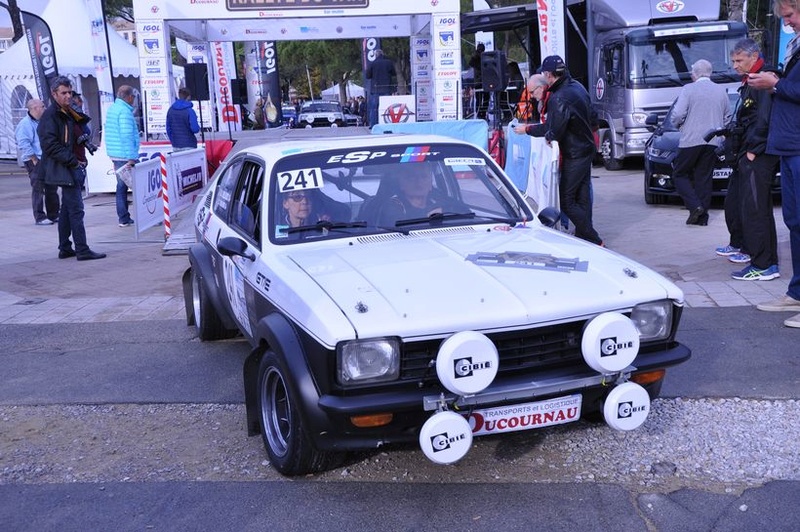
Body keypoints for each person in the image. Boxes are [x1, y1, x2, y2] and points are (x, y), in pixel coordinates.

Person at [512, 55, 603, 245]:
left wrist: (530, 130)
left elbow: (554, 130)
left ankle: (594, 238)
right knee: (582, 196)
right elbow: (593, 117)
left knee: (566, 200)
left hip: (575, 152)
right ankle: (586, 236)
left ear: (548, 75)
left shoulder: (559, 97)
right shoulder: (577, 87)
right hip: (586, 148)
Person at [748, 0, 800, 326]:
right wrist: (777, 77)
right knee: (795, 223)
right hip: (790, 146)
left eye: (791, 15)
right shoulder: (796, 46)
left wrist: (776, 83)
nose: (789, 23)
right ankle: (796, 293)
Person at [716, 39, 780, 281]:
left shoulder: (762, 80)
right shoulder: (751, 82)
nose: (735, 66)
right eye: (733, 61)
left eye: (739, 60)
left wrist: (752, 150)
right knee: (749, 208)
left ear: (754, 58)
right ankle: (762, 261)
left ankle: (763, 265)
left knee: (756, 210)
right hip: (749, 154)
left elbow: (764, 119)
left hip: (757, 155)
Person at [37, 76, 105, 261]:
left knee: (67, 210)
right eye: (64, 93)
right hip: (66, 168)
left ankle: (65, 248)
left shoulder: (69, 111)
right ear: (54, 94)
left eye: (70, 93)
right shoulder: (51, 116)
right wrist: (73, 161)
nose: (68, 96)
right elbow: (50, 145)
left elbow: (81, 131)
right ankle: (82, 249)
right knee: (76, 210)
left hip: (75, 165)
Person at [670, 59, 731, 226]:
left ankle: (695, 206)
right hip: (713, 141)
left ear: (694, 73)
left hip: (691, 139)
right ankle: (702, 218)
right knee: (703, 178)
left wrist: (679, 126)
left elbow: (677, 114)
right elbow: (727, 117)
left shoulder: (688, 89)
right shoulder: (721, 91)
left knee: (679, 174)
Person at [16, 98, 59, 225]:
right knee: (38, 188)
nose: (45, 108)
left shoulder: (43, 121)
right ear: (35, 108)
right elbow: (23, 142)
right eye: (43, 106)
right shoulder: (25, 124)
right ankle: (39, 216)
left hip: (47, 158)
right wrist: (34, 159)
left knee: (52, 188)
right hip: (34, 160)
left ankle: (53, 214)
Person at [375, 164, 464, 226]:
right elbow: (398, 228)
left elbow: (464, 211)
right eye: (411, 177)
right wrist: (430, 216)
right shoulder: (392, 206)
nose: (419, 182)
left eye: (424, 177)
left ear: (430, 183)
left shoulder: (441, 201)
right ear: (401, 184)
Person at [104, 85, 140, 227]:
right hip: (124, 155)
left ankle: (124, 217)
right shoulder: (124, 112)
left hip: (116, 153)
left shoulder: (113, 108)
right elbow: (126, 135)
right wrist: (131, 157)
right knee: (134, 186)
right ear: (129, 97)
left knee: (121, 187)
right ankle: (131, 217)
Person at [365, 49, 396, 126]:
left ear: (376, 55)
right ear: (383, 54)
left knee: (374, 108)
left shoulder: (372, 64)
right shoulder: (388, 62)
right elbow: (394, 73)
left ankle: (374, 125)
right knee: (387, 108)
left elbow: (368, 76)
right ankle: (387, 123)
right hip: (387, 88)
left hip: (375, 89)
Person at [469, 43, 486, 118]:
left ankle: (483, 113)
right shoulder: (475, 57)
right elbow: (471, 63)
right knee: (479, 99)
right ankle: (479, 113)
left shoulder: (485, 56)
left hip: (484, 81)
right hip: (479, 82)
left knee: (485, 98)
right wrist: (476, 55)